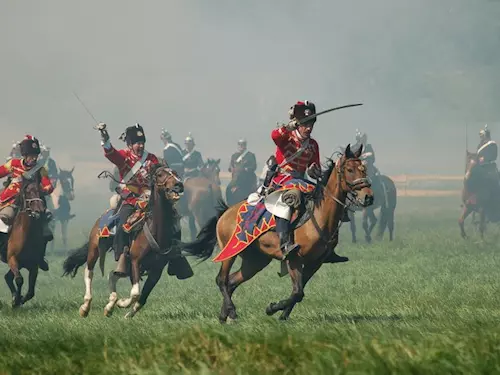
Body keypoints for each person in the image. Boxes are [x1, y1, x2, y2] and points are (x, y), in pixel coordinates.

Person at [264, 100, 348, 262]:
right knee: (292, 197)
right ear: (297, 124)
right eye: (305, 124)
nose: (309, 128)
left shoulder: (313, 145)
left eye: (311, 124)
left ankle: (328, 247)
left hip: (302, 180)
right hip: (284, 179)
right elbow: (274, 135)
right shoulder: (286, 137)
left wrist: (313, 170)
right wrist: (287, 127)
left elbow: (313, 165)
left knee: (328, 200)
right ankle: (285, 243)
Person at [97, 123, 160, 276]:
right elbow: (110, 153)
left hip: (150, 199)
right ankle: (121, 257)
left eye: (142, 142)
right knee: (122, 226)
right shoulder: (123, 157)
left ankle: (176, 255)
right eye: (137, 143)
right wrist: (104, 137)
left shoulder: (151, 159)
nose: (140, 145)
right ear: (130, 144)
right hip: (131, 199)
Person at [0, 135, 54, 271]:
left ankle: (40, 257)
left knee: (45, 221)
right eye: (31, 155)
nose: (33, 158)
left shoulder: (41, 170)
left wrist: (41, 189)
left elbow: (49, 186)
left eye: (35, 156)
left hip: (33, 201)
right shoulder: (13, 164)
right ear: (24, 155)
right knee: (4, 218)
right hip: (12, 200)